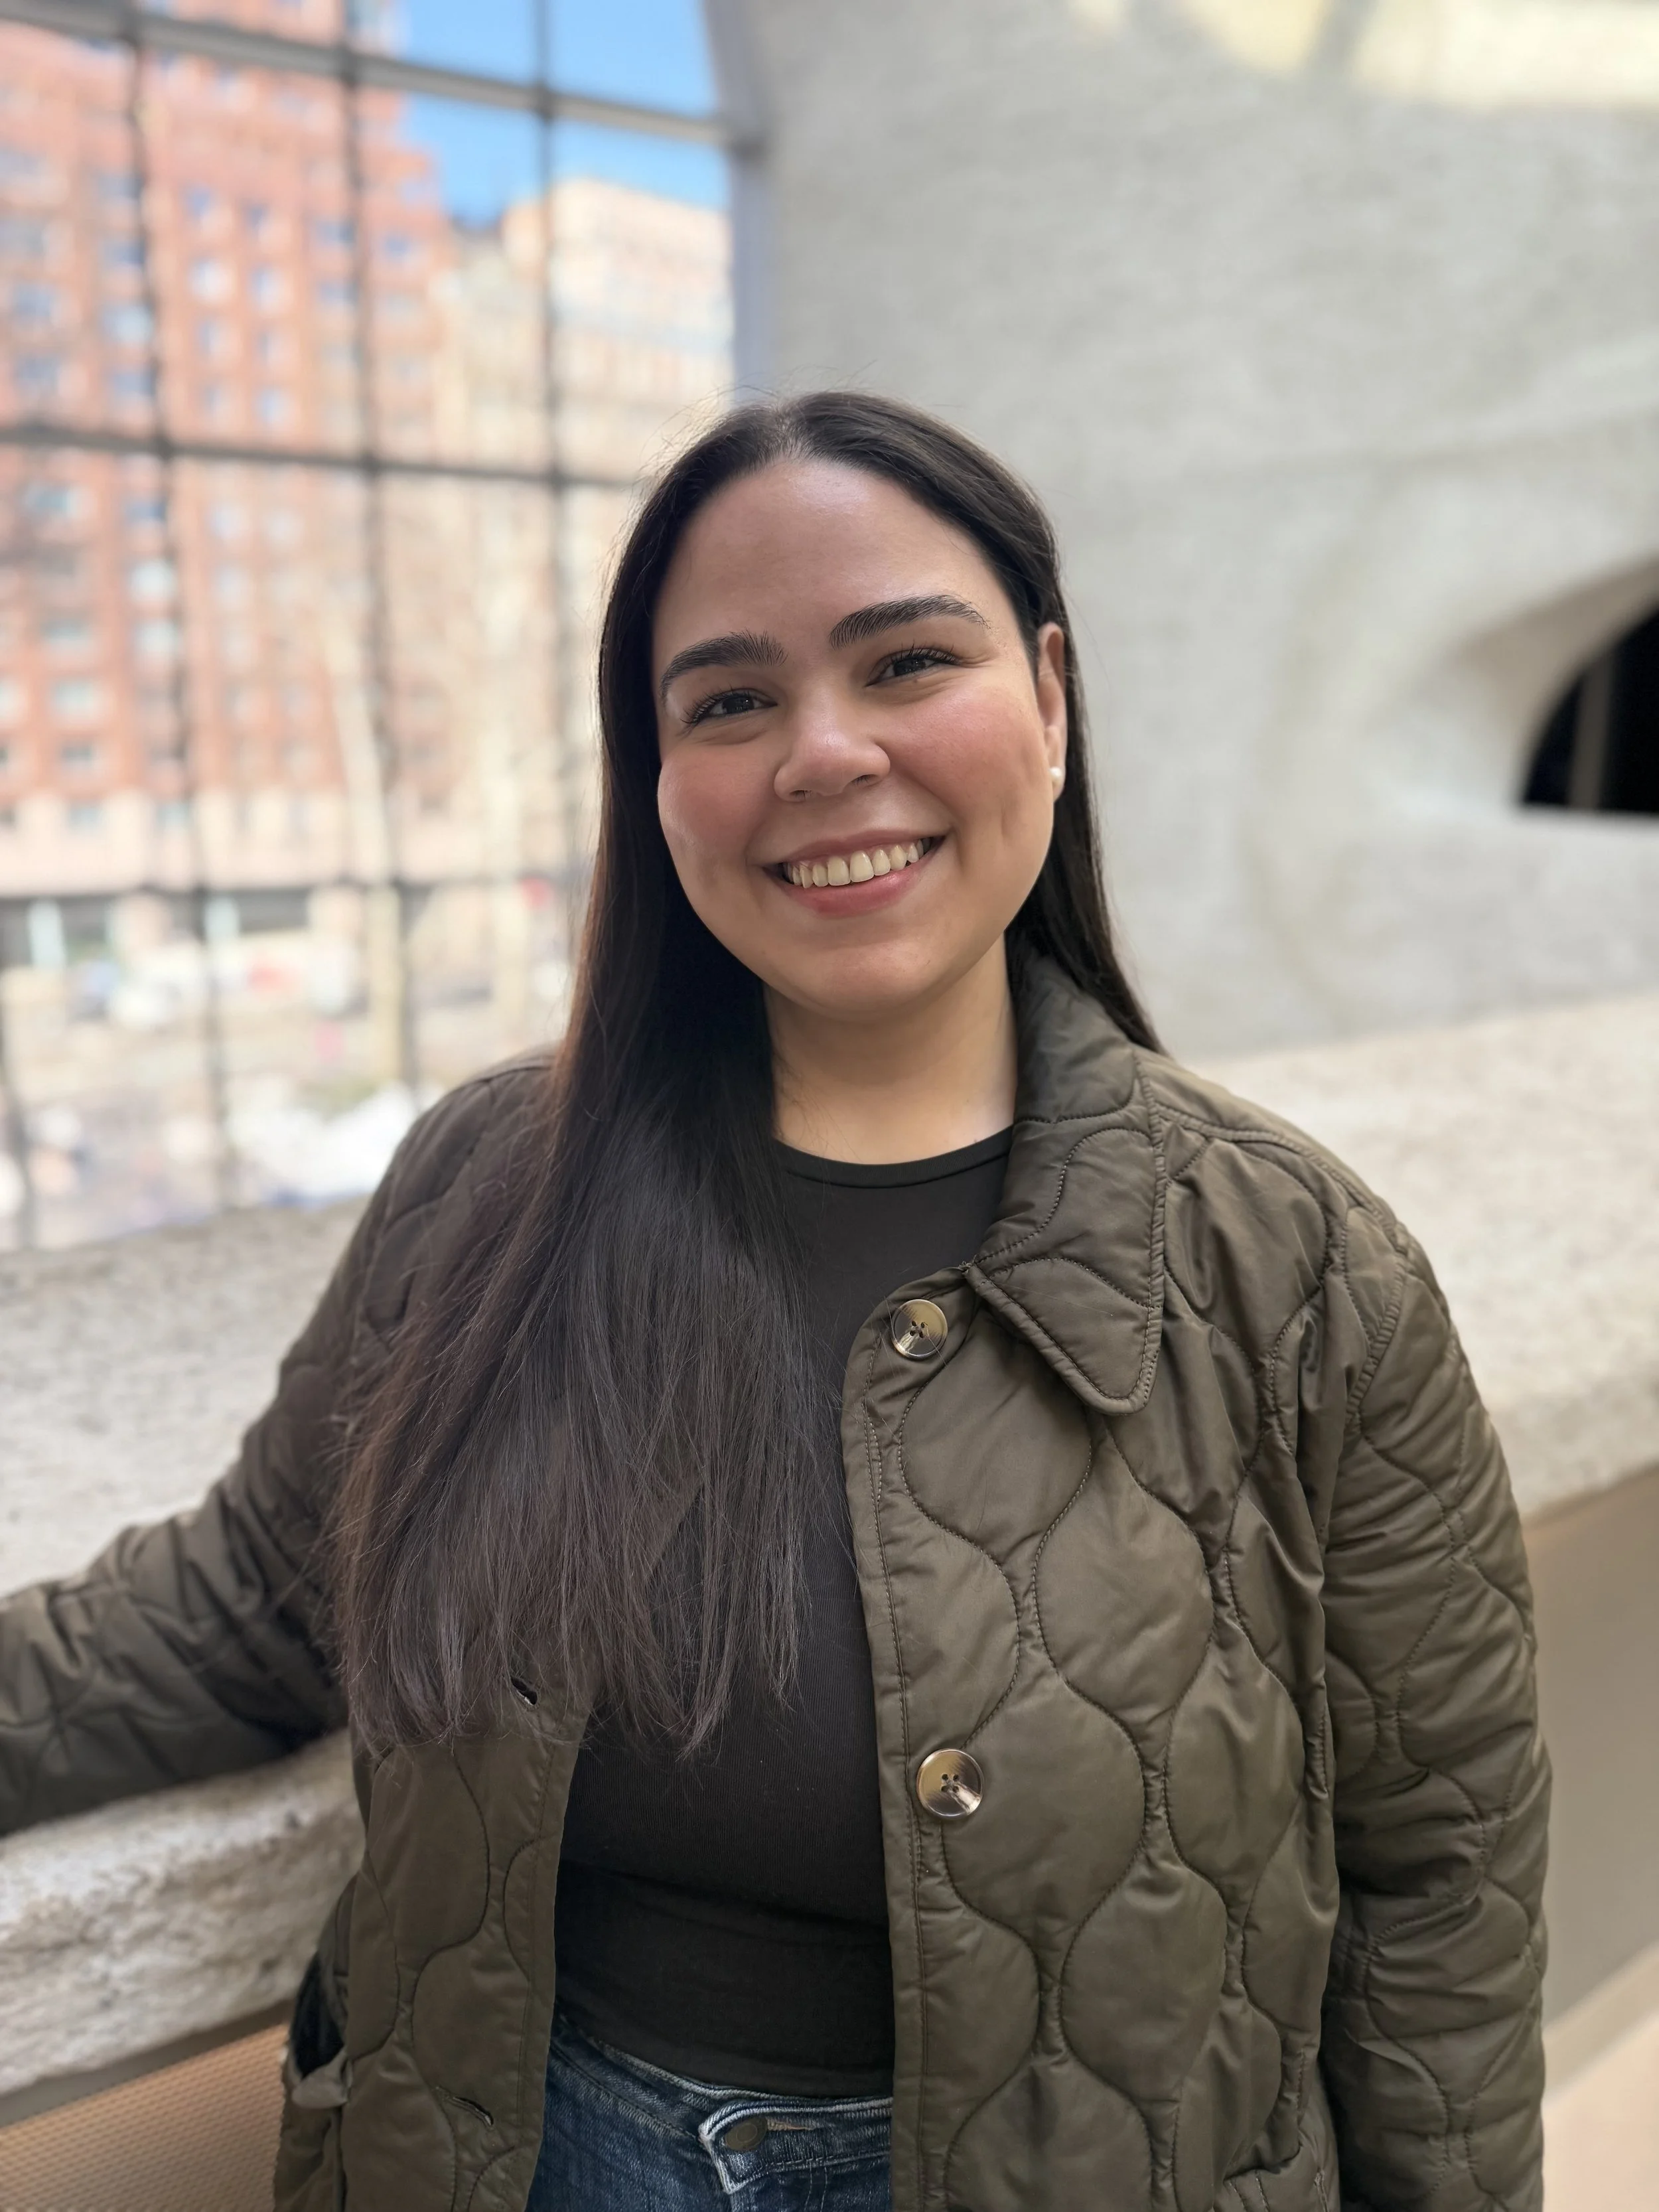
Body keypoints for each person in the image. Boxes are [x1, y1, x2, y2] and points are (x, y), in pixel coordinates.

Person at [0, 393, 1547, 2212]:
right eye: (729, 699)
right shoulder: (490, 1186)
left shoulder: (1288, 1264)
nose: (824, 754)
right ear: (652, 780)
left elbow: (1441, 1863)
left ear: (1048, 697)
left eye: (904, 660)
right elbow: (251, 1602)